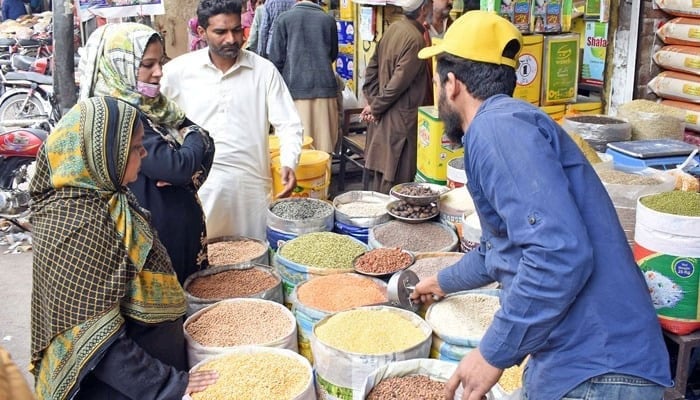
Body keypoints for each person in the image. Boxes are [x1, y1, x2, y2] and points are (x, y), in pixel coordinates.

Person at [411, 11, 672, 400]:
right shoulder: (512, 122)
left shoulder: (495, 130)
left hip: (598, 370)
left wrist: (492, 353)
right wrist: (442, 281)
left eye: (435, 80)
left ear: (451, 85)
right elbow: (505, 246)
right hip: (595, 366)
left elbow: (557, 253)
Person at [29, 97, 218, 399]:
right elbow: (97, 341)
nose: (144, 154)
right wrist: (168, 385)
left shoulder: (112, 198)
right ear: (102, 153)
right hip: (119, 389)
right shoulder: (78, 225)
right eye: (135, 148)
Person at [79, 23, 215, 285]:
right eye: (147, 64)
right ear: (119, 68)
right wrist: (193, 140)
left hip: (177, 230)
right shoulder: (118, 116)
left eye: (160, 62)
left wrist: (192, 154)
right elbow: (177, 166)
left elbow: (205, 147)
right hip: (154, 240)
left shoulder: (156, 107)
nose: (159, 72)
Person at [161, 0, 303, 241]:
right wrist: (164, 164)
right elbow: (151, 118)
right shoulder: (179, 71)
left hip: (250, 189)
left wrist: (289, 161)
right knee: (203, 257)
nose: (231, 39)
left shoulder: (263, 71)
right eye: (220, 32)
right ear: (201, 32)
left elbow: (288, 123)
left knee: (253, 259)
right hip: (200, 188)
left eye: (237, 30)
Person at [360, 0, 432, 194]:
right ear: (424, 9)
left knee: (381, 169)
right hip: (400, 119)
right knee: (396, 175)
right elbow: (397, 84)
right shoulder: (416, 39)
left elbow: (371, 69)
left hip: (385, 114)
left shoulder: (394, 28)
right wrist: (375, 107)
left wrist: (373, 101)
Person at [268, 0, 339, 154]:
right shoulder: (328, 20)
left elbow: (275, 59)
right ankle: (323, 177)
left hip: (294, 91)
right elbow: (333, 54)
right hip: (325, 89)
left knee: (295, 146)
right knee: (323, 146)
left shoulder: (284, 19)